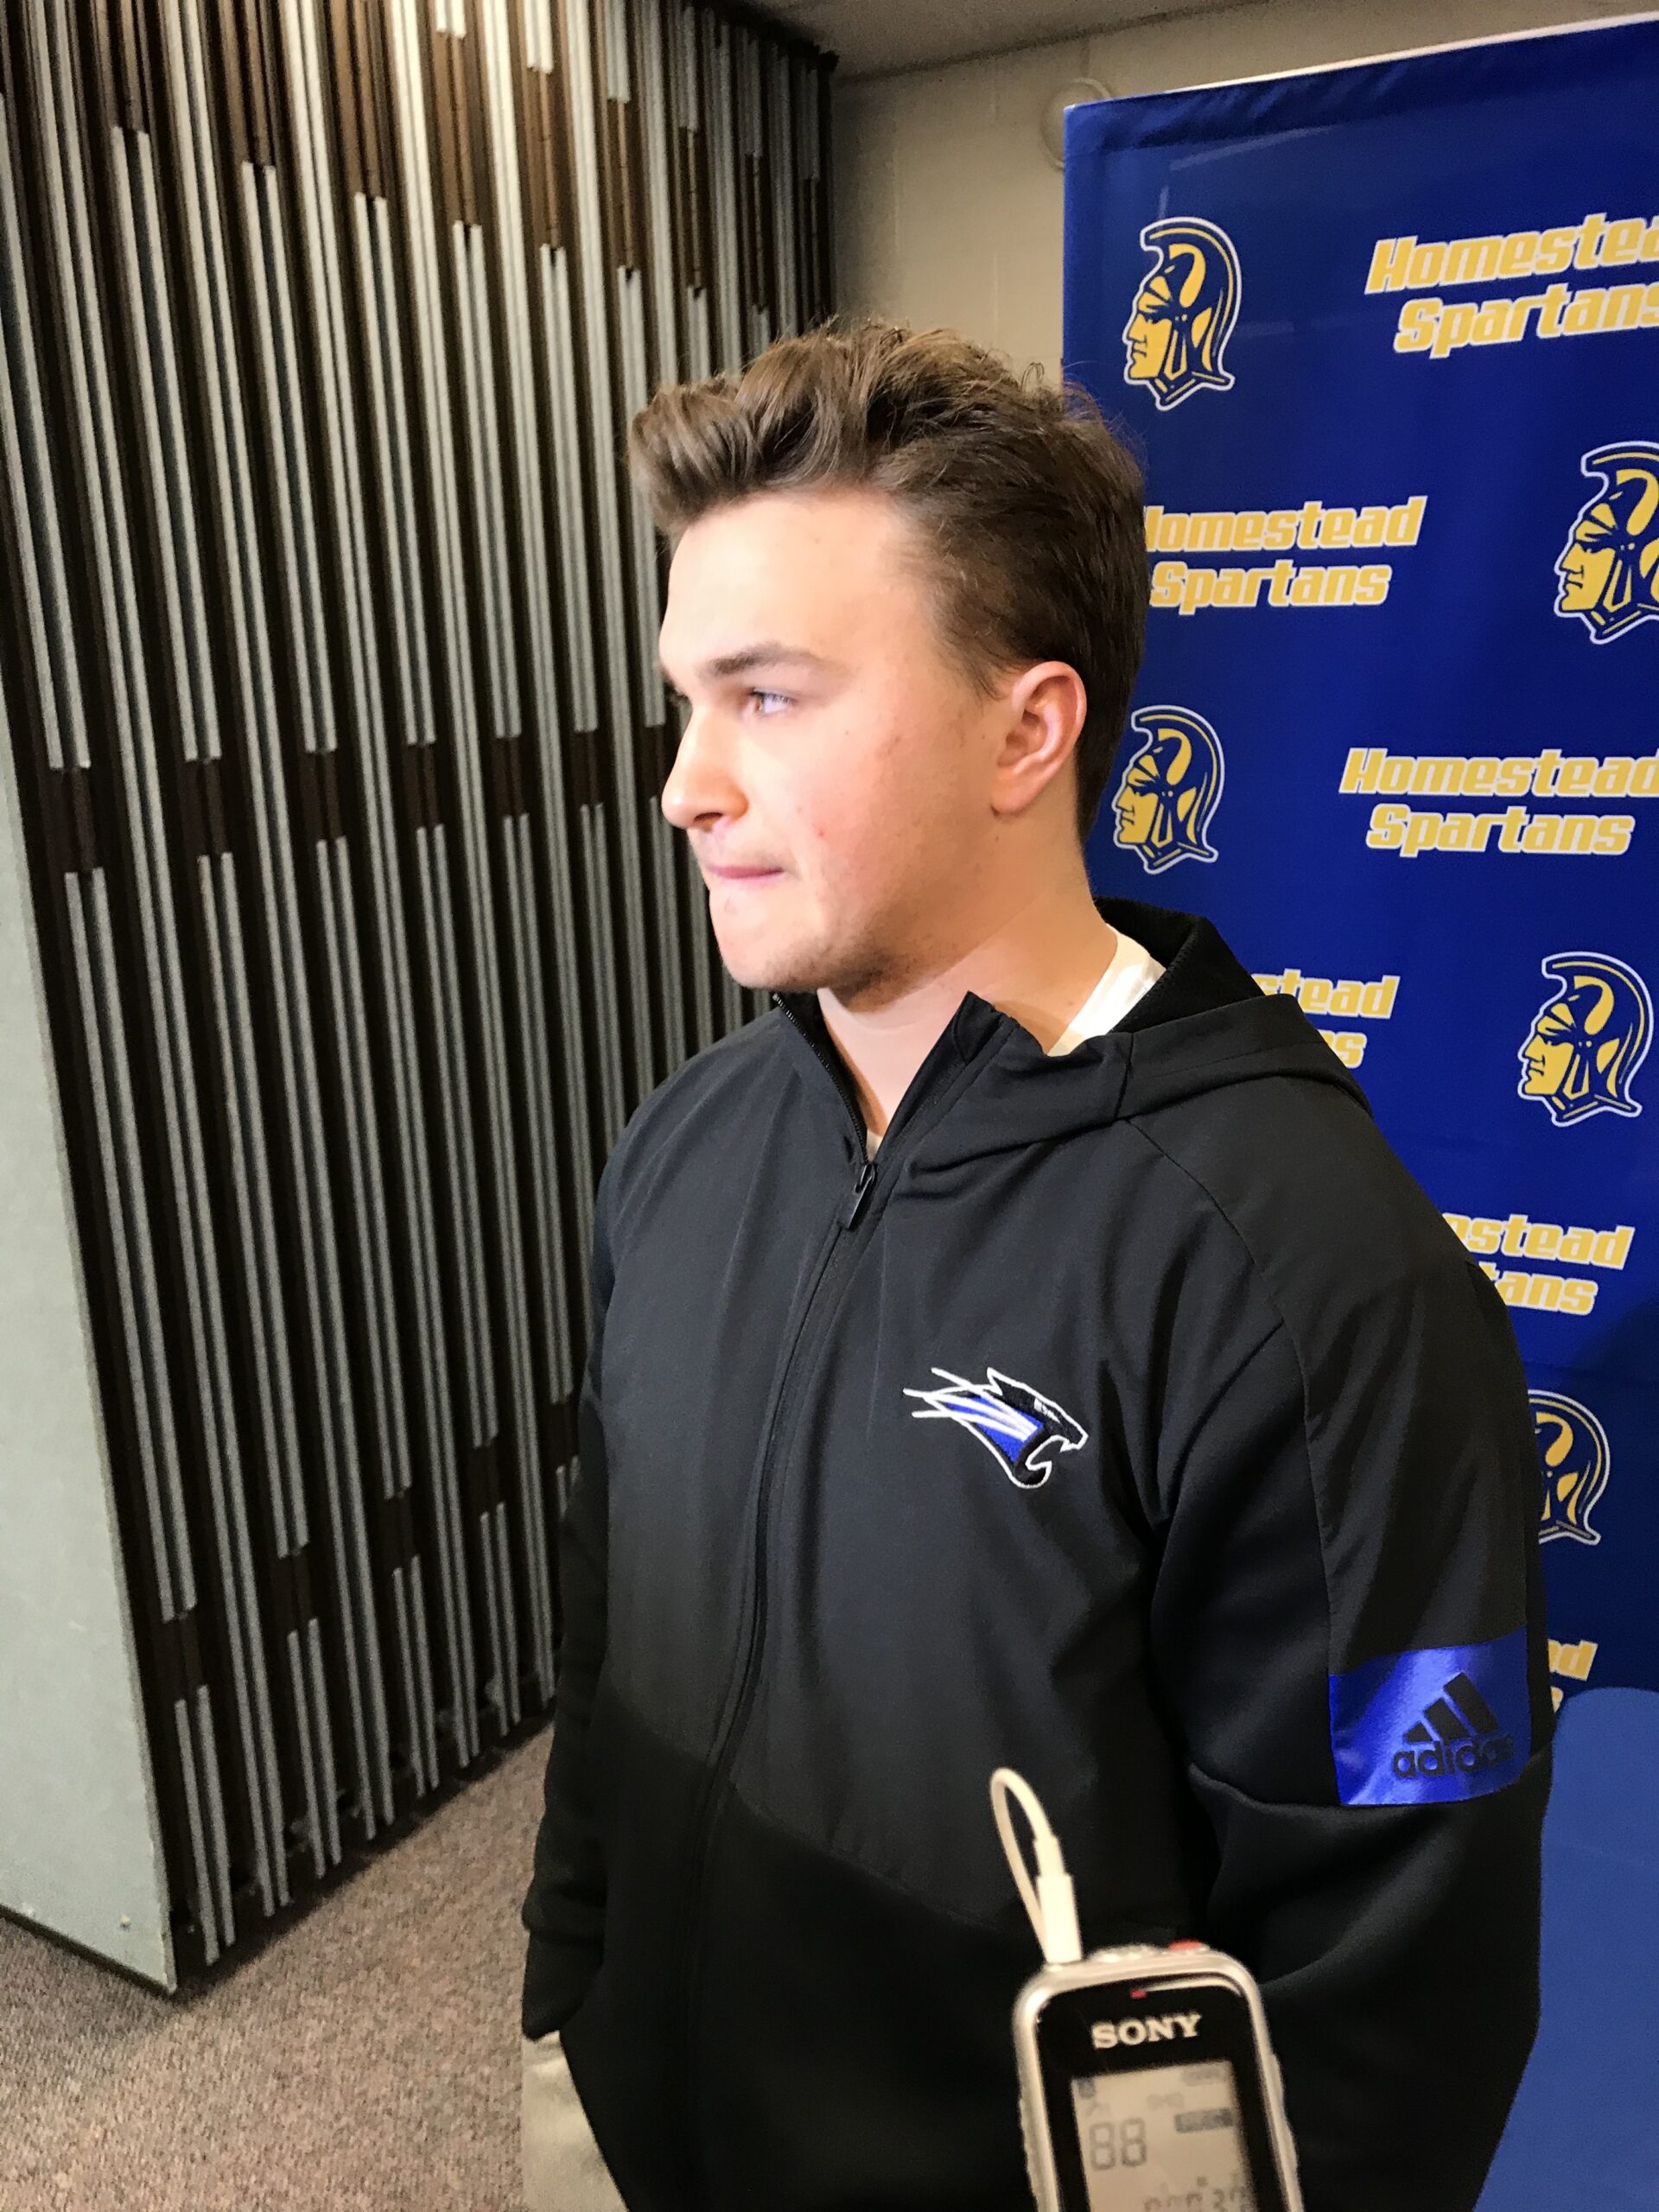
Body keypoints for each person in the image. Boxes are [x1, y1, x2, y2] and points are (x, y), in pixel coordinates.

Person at [521, 316, 1549, 2212]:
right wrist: (567, 1984)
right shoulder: (682, 1148)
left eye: (771, 697)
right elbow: (615, 1638)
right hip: (636, 2115)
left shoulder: (1311, 1275)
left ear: (1027, 726)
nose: (685, 783)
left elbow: (1396, 1989)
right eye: (686, 696)